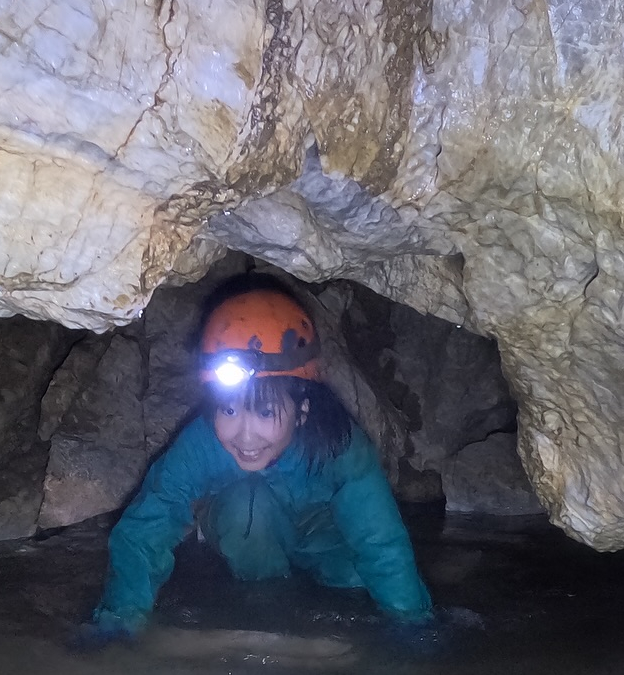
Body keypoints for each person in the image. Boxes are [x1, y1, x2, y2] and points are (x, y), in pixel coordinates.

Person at [87, 274, 433, 641]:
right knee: (248, 511)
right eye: (229, 410)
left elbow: (380, 538)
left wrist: (413, 623)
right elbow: (145, 529)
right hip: (244, 520)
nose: (245, 436)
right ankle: (264, 601)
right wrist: (120, 619)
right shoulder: (203, 443)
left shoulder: (339, 445)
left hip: (317, 528)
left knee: (362, 576)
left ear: (302, 410)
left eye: (265, 412)